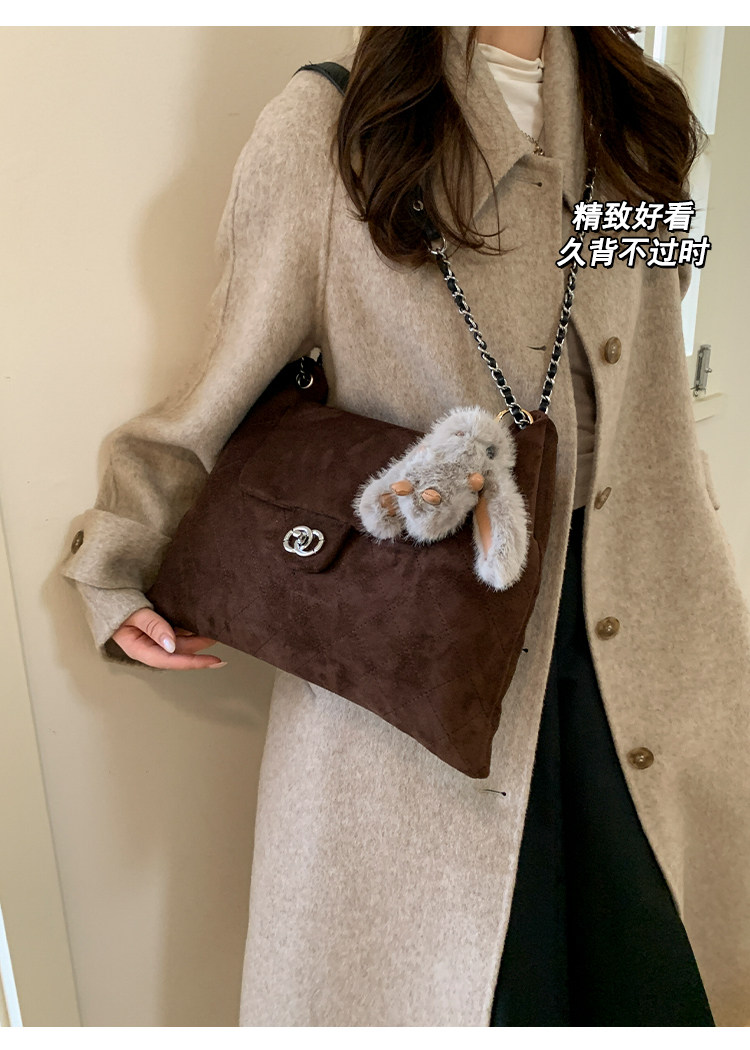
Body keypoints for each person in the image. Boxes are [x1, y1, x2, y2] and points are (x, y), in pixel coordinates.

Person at [59, 26, 750, 1026]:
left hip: (653, 648)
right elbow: (229, 374)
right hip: (422, 677)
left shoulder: (640, 116)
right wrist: (120, 554)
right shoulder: (335, 128)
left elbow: (646, 352)